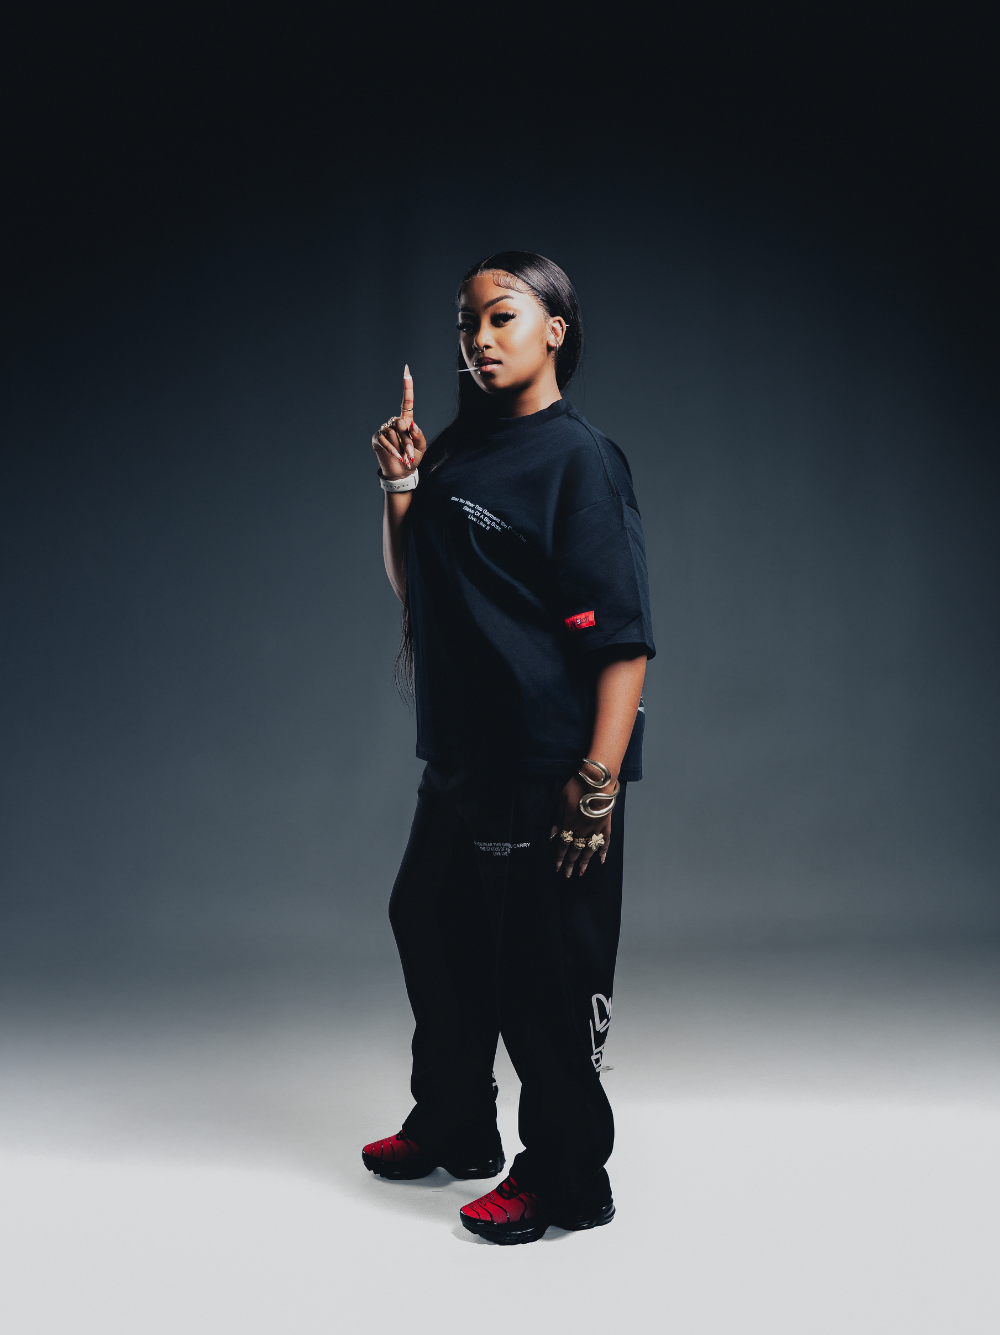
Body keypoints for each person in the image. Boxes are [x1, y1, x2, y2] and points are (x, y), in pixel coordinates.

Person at [361, 251, 655, 1245]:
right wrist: (402, 484)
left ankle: (568, 1178)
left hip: (547, 765)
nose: (478, 338)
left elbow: (623, 640)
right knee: (428, 924)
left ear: (554, 329)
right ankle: (455, 1122)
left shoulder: (581, 460)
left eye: (501, 315)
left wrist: (597, 785)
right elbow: (420, 591)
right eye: (466, 322)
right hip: (461, 758)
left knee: (544, 973)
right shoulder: (462, 452)